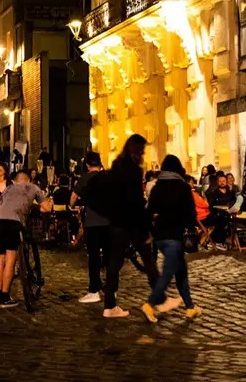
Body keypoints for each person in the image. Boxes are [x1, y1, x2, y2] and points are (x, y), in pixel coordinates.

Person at [95, 134, 159, 319]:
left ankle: (109, 305)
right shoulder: (132, 169)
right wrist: (147, 224)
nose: (144, 153)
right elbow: (136, 200)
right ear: (137, 150)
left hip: (116, 222)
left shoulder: (117, 166)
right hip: (132, 222)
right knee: (147, 258)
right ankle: (159, 298)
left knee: (114, 263)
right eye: (142, 150)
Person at [141, 155, 201, 322]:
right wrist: (191, 229)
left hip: (160, 236)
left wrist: (149, 231)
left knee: (181, 271)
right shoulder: (182, 187)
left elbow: (149, 211)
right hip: (175, 235)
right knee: (168, 273)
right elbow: (190, 212)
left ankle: (190, 307)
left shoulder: (157, 187)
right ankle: (150, 304)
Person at [0, 170, 52, 308]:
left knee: (0, 259)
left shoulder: (8, 189)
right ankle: (5, 296)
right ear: (28, 180)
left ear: (15, 180)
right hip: (14, 223)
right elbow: (46, 208)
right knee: (11, 259)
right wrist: (33, 206)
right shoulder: (33, 187)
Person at [74, 152, 109, 304]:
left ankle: (94, 289)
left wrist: (72, 206)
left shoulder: (84, 179)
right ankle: (111, 289)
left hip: (93, 223)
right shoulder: (108, 177)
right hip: (110, 222)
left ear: (87, 165)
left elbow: (73, 198)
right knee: (109, 256)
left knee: (94, 257)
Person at [205, 173, 238, 248]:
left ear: (226, 182)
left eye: (223, 181)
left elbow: (234, 202)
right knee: (222, 220)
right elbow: (211, 206)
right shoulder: (214, 193)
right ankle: (218, 241)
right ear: (217, 182)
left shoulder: (230, 192)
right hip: (216, 214)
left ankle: (213, 239)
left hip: (228, 213)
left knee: (232, 220)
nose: (222, 183)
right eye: (220, 181)